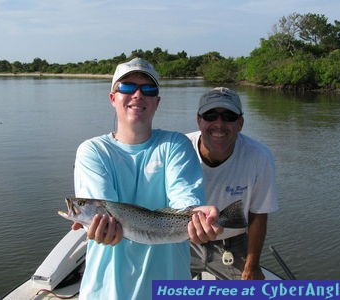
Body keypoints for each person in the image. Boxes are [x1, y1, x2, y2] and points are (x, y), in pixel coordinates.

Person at [71, 58, 222, 299]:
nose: (138, 95)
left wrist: (198, 217)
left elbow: (184, 199)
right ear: (113, 98)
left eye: (148, 89)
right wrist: (98, 224)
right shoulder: (92, 151)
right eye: (128, 87)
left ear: (157, 102)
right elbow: (105, 210)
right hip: (106, 292)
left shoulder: (176, 145)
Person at [187, 87, 279, 280]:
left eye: (228, 116)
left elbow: (258, 215)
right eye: (210, 115)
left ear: (240, 123)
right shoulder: (179, 149)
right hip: (183, 239)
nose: (219, 124)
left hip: (232, 242)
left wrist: (252, 265)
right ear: (199, 120)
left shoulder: (259, 156)